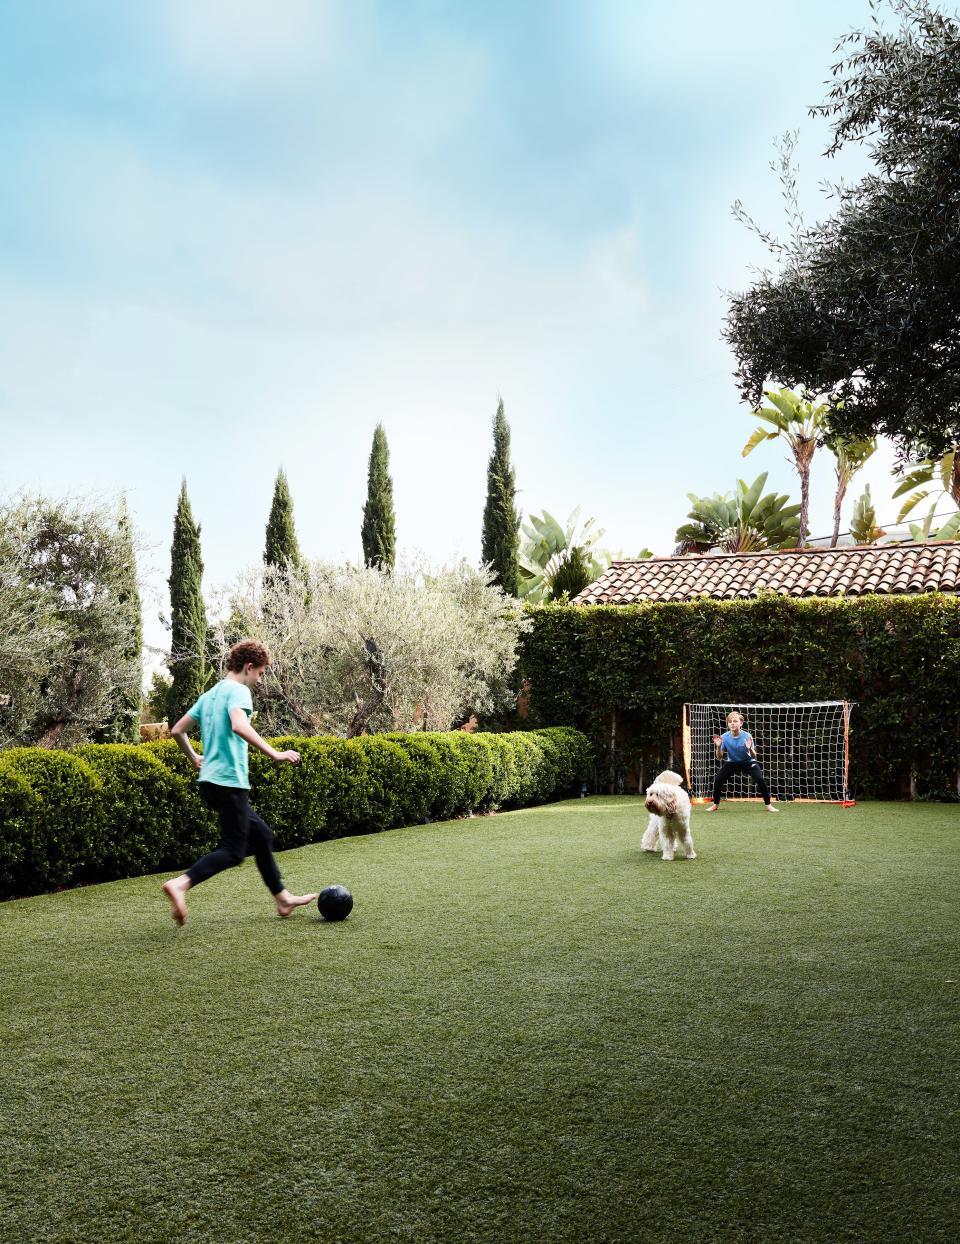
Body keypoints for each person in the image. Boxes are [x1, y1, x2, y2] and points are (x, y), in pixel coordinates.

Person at [162, 639, 317, 925]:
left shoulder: (210, 695)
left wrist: (194, 757)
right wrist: (275, 754)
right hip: (229, 783)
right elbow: (239, 725)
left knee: (261, 836)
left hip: (209, 782)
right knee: (233, 851)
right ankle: (181, 883)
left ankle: (282, 899)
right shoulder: (239, 692)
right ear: (248, 667)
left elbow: (177, 730)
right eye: (259, 673)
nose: (259, 679)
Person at [706, 710, 779, 813]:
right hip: (732, 763)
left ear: (741, 723)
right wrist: (718, 747)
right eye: (730, 721)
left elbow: (754, 755)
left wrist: (749, 748)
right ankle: (715, 805)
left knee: (760, 779)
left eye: (735, 721)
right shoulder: (724, 737)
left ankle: (769, 805)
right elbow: (719, 757)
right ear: (727, 724)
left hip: (748, 762)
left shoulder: (747, 736)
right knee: (718, 779)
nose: (732, 723)